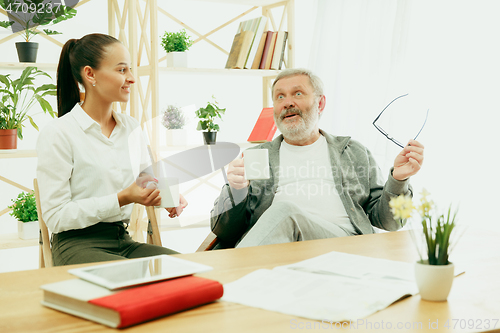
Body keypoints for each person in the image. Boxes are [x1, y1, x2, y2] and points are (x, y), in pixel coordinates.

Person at [210, 68, 424, 248]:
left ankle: (230, 278)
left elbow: (391, 222)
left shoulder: (353, 152)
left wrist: (398, 180)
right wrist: (236, 191)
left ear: (320, 104)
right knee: (283, 214)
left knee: (286, 211)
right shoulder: (257, 157)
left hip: (345, 247)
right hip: (279, 251)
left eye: (298, 93)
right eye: (280, 96)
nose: (287, 103)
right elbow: (224, 231)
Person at [36, 33, 187, 265]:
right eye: (121, 70)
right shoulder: (59, 133)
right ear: (90, 74)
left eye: (130, 70)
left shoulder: (131, 128)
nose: (132, 79)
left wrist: (166, 196)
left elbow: (146, 181)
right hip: (76, 246)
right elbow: (56, 217)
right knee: (127, 281)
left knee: (188, 270)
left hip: (122, 241)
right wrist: (122, 198)